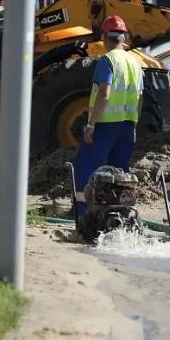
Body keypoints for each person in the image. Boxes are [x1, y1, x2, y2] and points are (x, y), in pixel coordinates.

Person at [72, 15, 143, 217]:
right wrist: (134, 124)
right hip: (127, 125)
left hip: (105, 124)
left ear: (105, 36)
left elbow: (104, 93)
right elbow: (140, 96)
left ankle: (81, 211)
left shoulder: (108, 60)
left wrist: (91, 125)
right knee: (120, 172)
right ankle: (118, 211)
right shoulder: (135, 62)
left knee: (85, 165)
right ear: (123, 37)